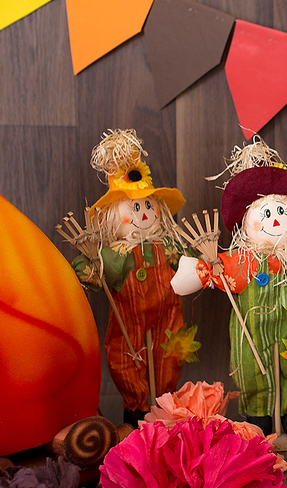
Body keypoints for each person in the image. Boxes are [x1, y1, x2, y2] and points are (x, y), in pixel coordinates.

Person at [171, 140, 287, 440]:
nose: (274, 219)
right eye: (265, 213)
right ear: (247, 222)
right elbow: (214, 270)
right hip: (251, 330)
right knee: (251, 367)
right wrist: (197, 272)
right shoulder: (242, 260)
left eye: (282, 211)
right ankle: (259, 412)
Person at [70, 130, 197, 427]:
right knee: (126, 358)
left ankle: (163, 405)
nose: (143, 213)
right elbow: (93, 271)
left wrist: (201, 267)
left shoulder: (168, 245)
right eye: (135, 208)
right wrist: (89, 269)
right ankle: (136, 411)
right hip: (130, 322)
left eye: (149, 205)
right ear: (114, 217)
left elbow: (190, 262)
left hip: (168, 317)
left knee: (168, 357)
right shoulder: (117, 253)